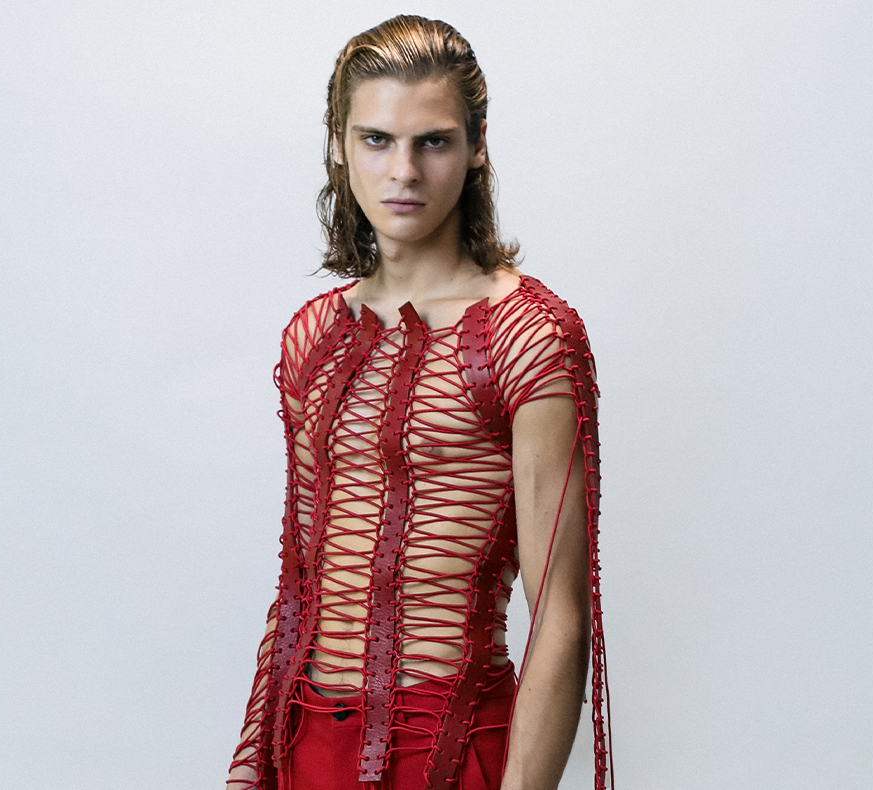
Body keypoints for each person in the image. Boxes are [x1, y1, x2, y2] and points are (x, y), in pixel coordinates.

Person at [226, 15, 611, 790]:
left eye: (432, 142)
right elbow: (299, 589)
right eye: (377, 140)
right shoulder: (313, 338)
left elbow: (561, 614)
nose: (402, 171)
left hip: (458, 749)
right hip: (304, 747)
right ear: (339, 145)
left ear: (476, 147)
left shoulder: (528, 337)